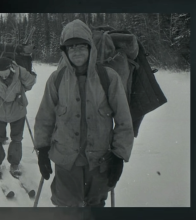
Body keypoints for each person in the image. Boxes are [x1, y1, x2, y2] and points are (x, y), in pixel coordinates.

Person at [34, 19, 134, 207]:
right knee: (65, 207)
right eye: (71, 48)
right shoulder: (57, 79)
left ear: (90, 48)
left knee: (95, 206)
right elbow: (45, 118)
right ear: (65, 52)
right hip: (65, 161)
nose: (77, 52)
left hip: (99, 162)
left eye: (82, 46)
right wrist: (42, 150)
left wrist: (119, 156)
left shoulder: (109, 77)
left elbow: (123, 120)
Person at [0, 57, 36, 179]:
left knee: (16, 138)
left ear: (10, 67)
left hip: (17, 111)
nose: (3, 75)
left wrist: (22, 85)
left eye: (5, 72)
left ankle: (14, 164)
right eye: (0, 73)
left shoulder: (19, 71)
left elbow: (31, 82)